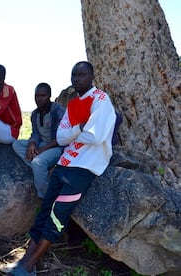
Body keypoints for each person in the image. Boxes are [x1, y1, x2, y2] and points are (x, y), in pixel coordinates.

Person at [7, 61, 116, 275]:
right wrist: (81, 126)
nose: (77, 79)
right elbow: (61, 137)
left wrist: (76, 130)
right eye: (74, 75)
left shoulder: (101, 100)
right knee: (45, 210)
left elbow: (96, 135)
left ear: (92, 76)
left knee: (58, 215)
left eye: (82, 75)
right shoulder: (75, 104)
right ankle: (25, 261)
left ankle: (29, 266)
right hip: (66, 163)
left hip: (84, 168)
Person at [12, 83, 65, 198]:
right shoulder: (35, 114)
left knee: (37, 162)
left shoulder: (58, 111)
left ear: (49, 95)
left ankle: (44, 196)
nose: (39, 99)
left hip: (57, 147)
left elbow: (60, 138)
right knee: (17, 144)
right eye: (37, 96)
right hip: (42, 144)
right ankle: (41, 171)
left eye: (43, 95)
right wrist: (32, 144)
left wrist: (40, 150)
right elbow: (35, 133)